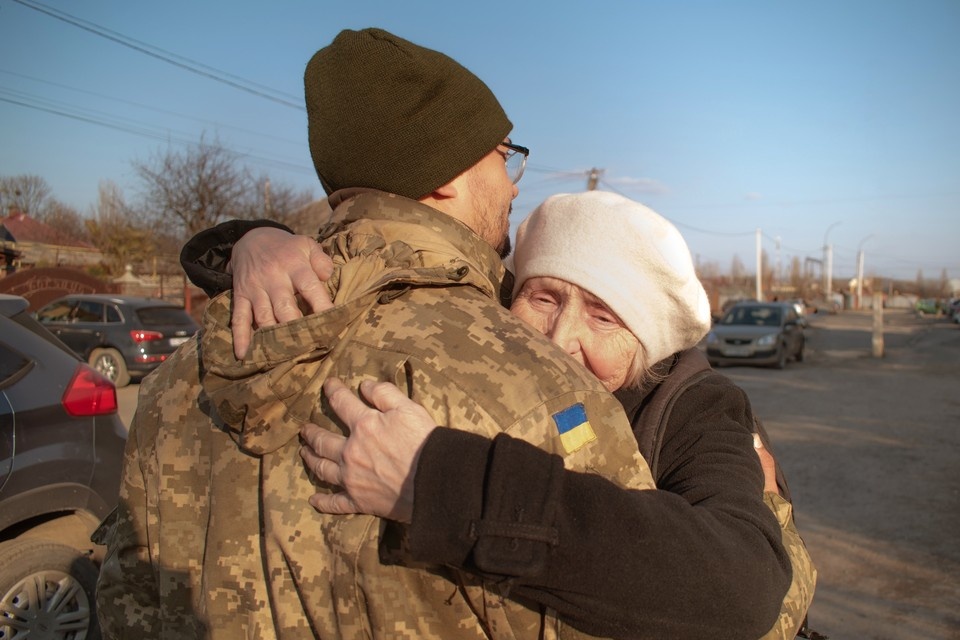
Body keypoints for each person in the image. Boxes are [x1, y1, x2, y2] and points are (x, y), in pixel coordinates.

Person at [95, 28, 659, 639]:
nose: (514, 181)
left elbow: (127, 602)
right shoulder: (535, 386)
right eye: (502, 153)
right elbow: (658, 605)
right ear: (446, 173)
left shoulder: (182, 379)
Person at [181, 192, 805, 638]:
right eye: (545, 297)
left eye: (604, 316)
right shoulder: (496, 363)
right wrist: (255, 241)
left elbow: (740, 583)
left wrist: (435, 481)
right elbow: (409, 257)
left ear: (646, 341)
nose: (560, 338)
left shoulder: (697, 406)